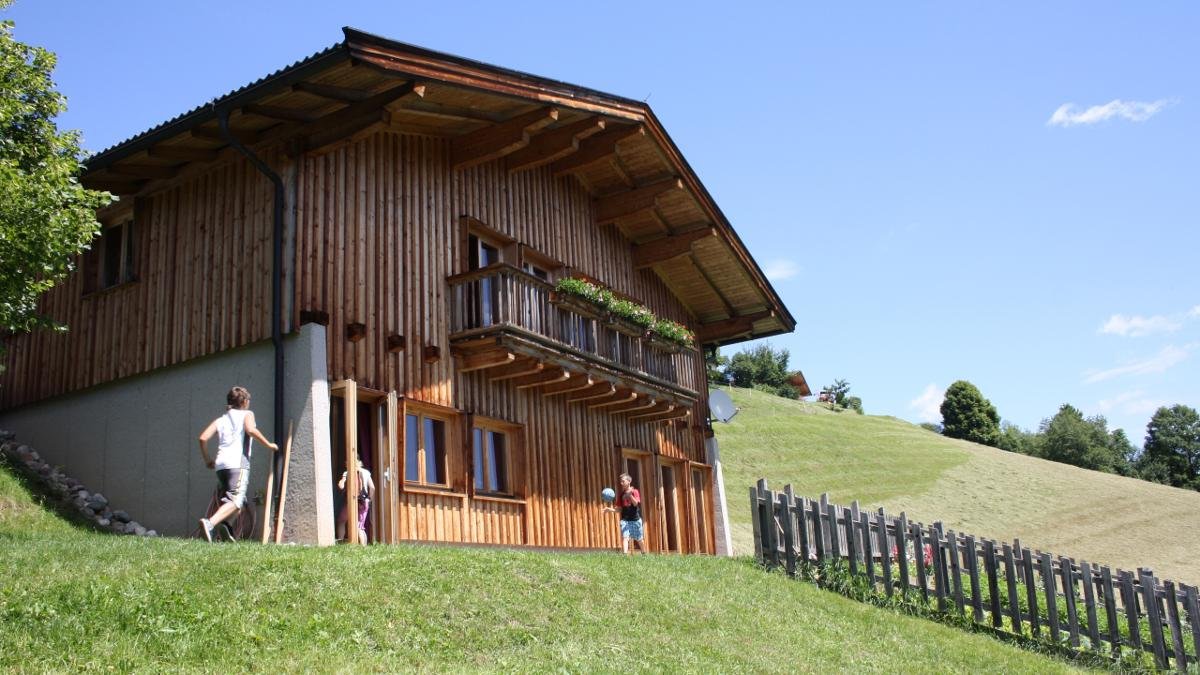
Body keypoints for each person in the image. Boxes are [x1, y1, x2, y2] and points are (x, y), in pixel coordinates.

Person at [196, 386, 278, 542]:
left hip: (221, 466)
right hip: (237, 464)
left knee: (237, 501)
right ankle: (210, 523)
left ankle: (226, 527)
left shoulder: (221, 420)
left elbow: (203, 438)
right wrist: (269, 445)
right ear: (245, 401)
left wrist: (208, 460)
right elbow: (251, 430)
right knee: (235, 501)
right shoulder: (247, 414)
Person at [336, 457, 375, 544]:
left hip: (352, 501)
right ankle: (363, 547)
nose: (346, 464)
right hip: (363, 501)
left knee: (341, 521)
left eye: (346, 463)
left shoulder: (347, 472)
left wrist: (341, 481)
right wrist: (369, 499)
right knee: (360, 526)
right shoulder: (366, 472)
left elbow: (341, 486)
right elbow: (372, 487)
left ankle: (340, 541)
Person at [603, 473, 644, 554]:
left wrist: (630, 495)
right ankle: (625, 554)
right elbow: (619, 510)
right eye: (620, 482)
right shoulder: (621, 495)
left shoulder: (635, 491)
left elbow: (636, 503)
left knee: (639, 538)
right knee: (625, 537)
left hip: (636, 519)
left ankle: (643, 553)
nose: (621, 483)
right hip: (625, 520)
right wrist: (609, 509)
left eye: (623, 481)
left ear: (629, 481)